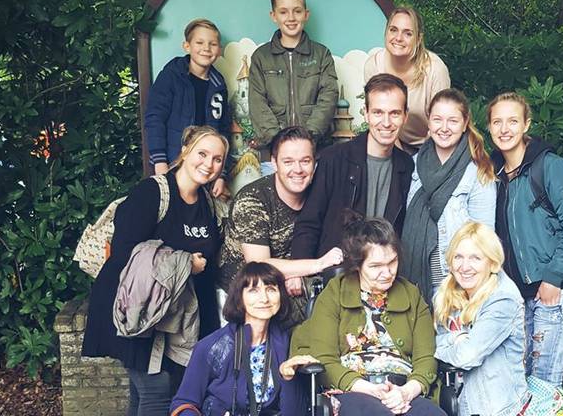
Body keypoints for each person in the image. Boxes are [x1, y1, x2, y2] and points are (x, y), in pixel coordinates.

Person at [82, 126, 228, 415]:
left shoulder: (209, 205)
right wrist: (186, 263)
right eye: (202, 153)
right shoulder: (152, 192)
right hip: (139, 311)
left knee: (145, 395)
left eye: (218, 159)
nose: (209, 164)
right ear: (185, 151)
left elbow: (210, 268)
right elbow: (125, 252)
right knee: (157, 394)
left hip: (175, 317)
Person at [291, 213, 445, 416]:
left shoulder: (411, 294)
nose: (388, 272)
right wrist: (369, 389)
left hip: (403, 390)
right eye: (375, 266)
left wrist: (407, 392)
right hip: (354, 389)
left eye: (392, 262)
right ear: (357, 265)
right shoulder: (334, 294)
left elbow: (426, 357)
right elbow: (325, 359)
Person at [488, 92, 563, 387]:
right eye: (497, 122)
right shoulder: (495, 175)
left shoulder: (550, 166)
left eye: (512, 121)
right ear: (490, 127)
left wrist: (553, 278)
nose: (504, 129)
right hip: (521, 295)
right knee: (524, 381)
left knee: (545, 383)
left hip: (556, 290)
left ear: (526, 124)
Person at [433, 222, 563, 416]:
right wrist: (455, 340)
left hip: (498, 409)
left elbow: (467, 356)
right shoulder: (450, 293)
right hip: (462, 404)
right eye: (458, 257)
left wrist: (450, 344)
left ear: (492, 262)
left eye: (475, 258)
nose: (465, 266)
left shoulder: (502, 298)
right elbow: (435, 341)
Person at [218, 126, 343, 322]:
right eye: (288, 162)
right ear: (274, 163)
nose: (298, 170)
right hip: (244, 294)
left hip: (294, 292)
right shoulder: (252, 200)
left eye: (305, 161)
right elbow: (259, 264)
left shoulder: (319, 194)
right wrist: (317, 265)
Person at [291, 73, 414, 259]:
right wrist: (299, 272)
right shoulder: (334, 159)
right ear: (365, 113)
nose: (386, 123)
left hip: (384, 273)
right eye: (378, 112)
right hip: (338, 275)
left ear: (405, 116)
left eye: (394, 113)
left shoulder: (407, 166)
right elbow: (309, 223)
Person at [170, 262, 318, 416]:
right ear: (239, 297)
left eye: (271, 289)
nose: (264, 299)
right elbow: (184, 403)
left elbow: (296, 413)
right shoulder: (212, 347)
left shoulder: (287, 342)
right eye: (254, 290)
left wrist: (288, 378)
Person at [400, 88, 496, 303]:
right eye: (437, 119)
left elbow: (485, 239)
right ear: (429, 122)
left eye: (452, 121)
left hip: (457, 286)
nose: (444, 128)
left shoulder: (478, 172)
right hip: (414, 284)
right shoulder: (413, 166)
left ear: (464, 124)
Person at [248, 0, 339, 176]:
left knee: (317, 205)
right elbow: (257, 103)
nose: (291, 18)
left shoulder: (322, 54)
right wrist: (279, 142)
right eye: (283, 12)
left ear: (306, 14)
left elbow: (328, 97)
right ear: (274, 16)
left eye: (297, 11)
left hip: (317, 153)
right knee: (276, 205)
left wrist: (306, 140)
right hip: (273, 155)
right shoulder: (260, 57)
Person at [145, 19, 231, 197]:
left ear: (219, 50)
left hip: (205, 168)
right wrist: (159, 161)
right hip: (172, 163)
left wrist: (221, 174)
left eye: (212, 44)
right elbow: (155, 119)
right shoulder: (172, 76)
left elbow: (222, 131)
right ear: (187, 46)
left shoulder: (218, 85)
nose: (206, 48)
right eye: (199, 42)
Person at [364, 6, 450, 154]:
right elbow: (378, 117)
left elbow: (441, 122)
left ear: (418, 39)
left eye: (407, 33)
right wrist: (399, 158)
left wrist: (422, 160)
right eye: (393, 30)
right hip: (390, 142)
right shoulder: (374, 65)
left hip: (431, 144)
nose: (398, 38)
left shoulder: (435, 69)